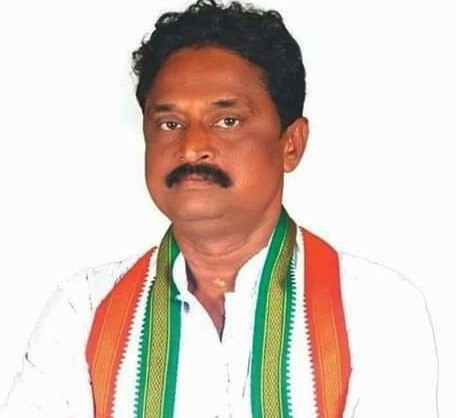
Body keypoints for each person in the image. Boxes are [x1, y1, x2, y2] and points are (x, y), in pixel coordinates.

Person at [0, 0, 438, 417]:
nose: (191, 147)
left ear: (291, 144)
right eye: (170, 123)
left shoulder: (374, 306)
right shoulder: (84, 308)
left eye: (227, 121)